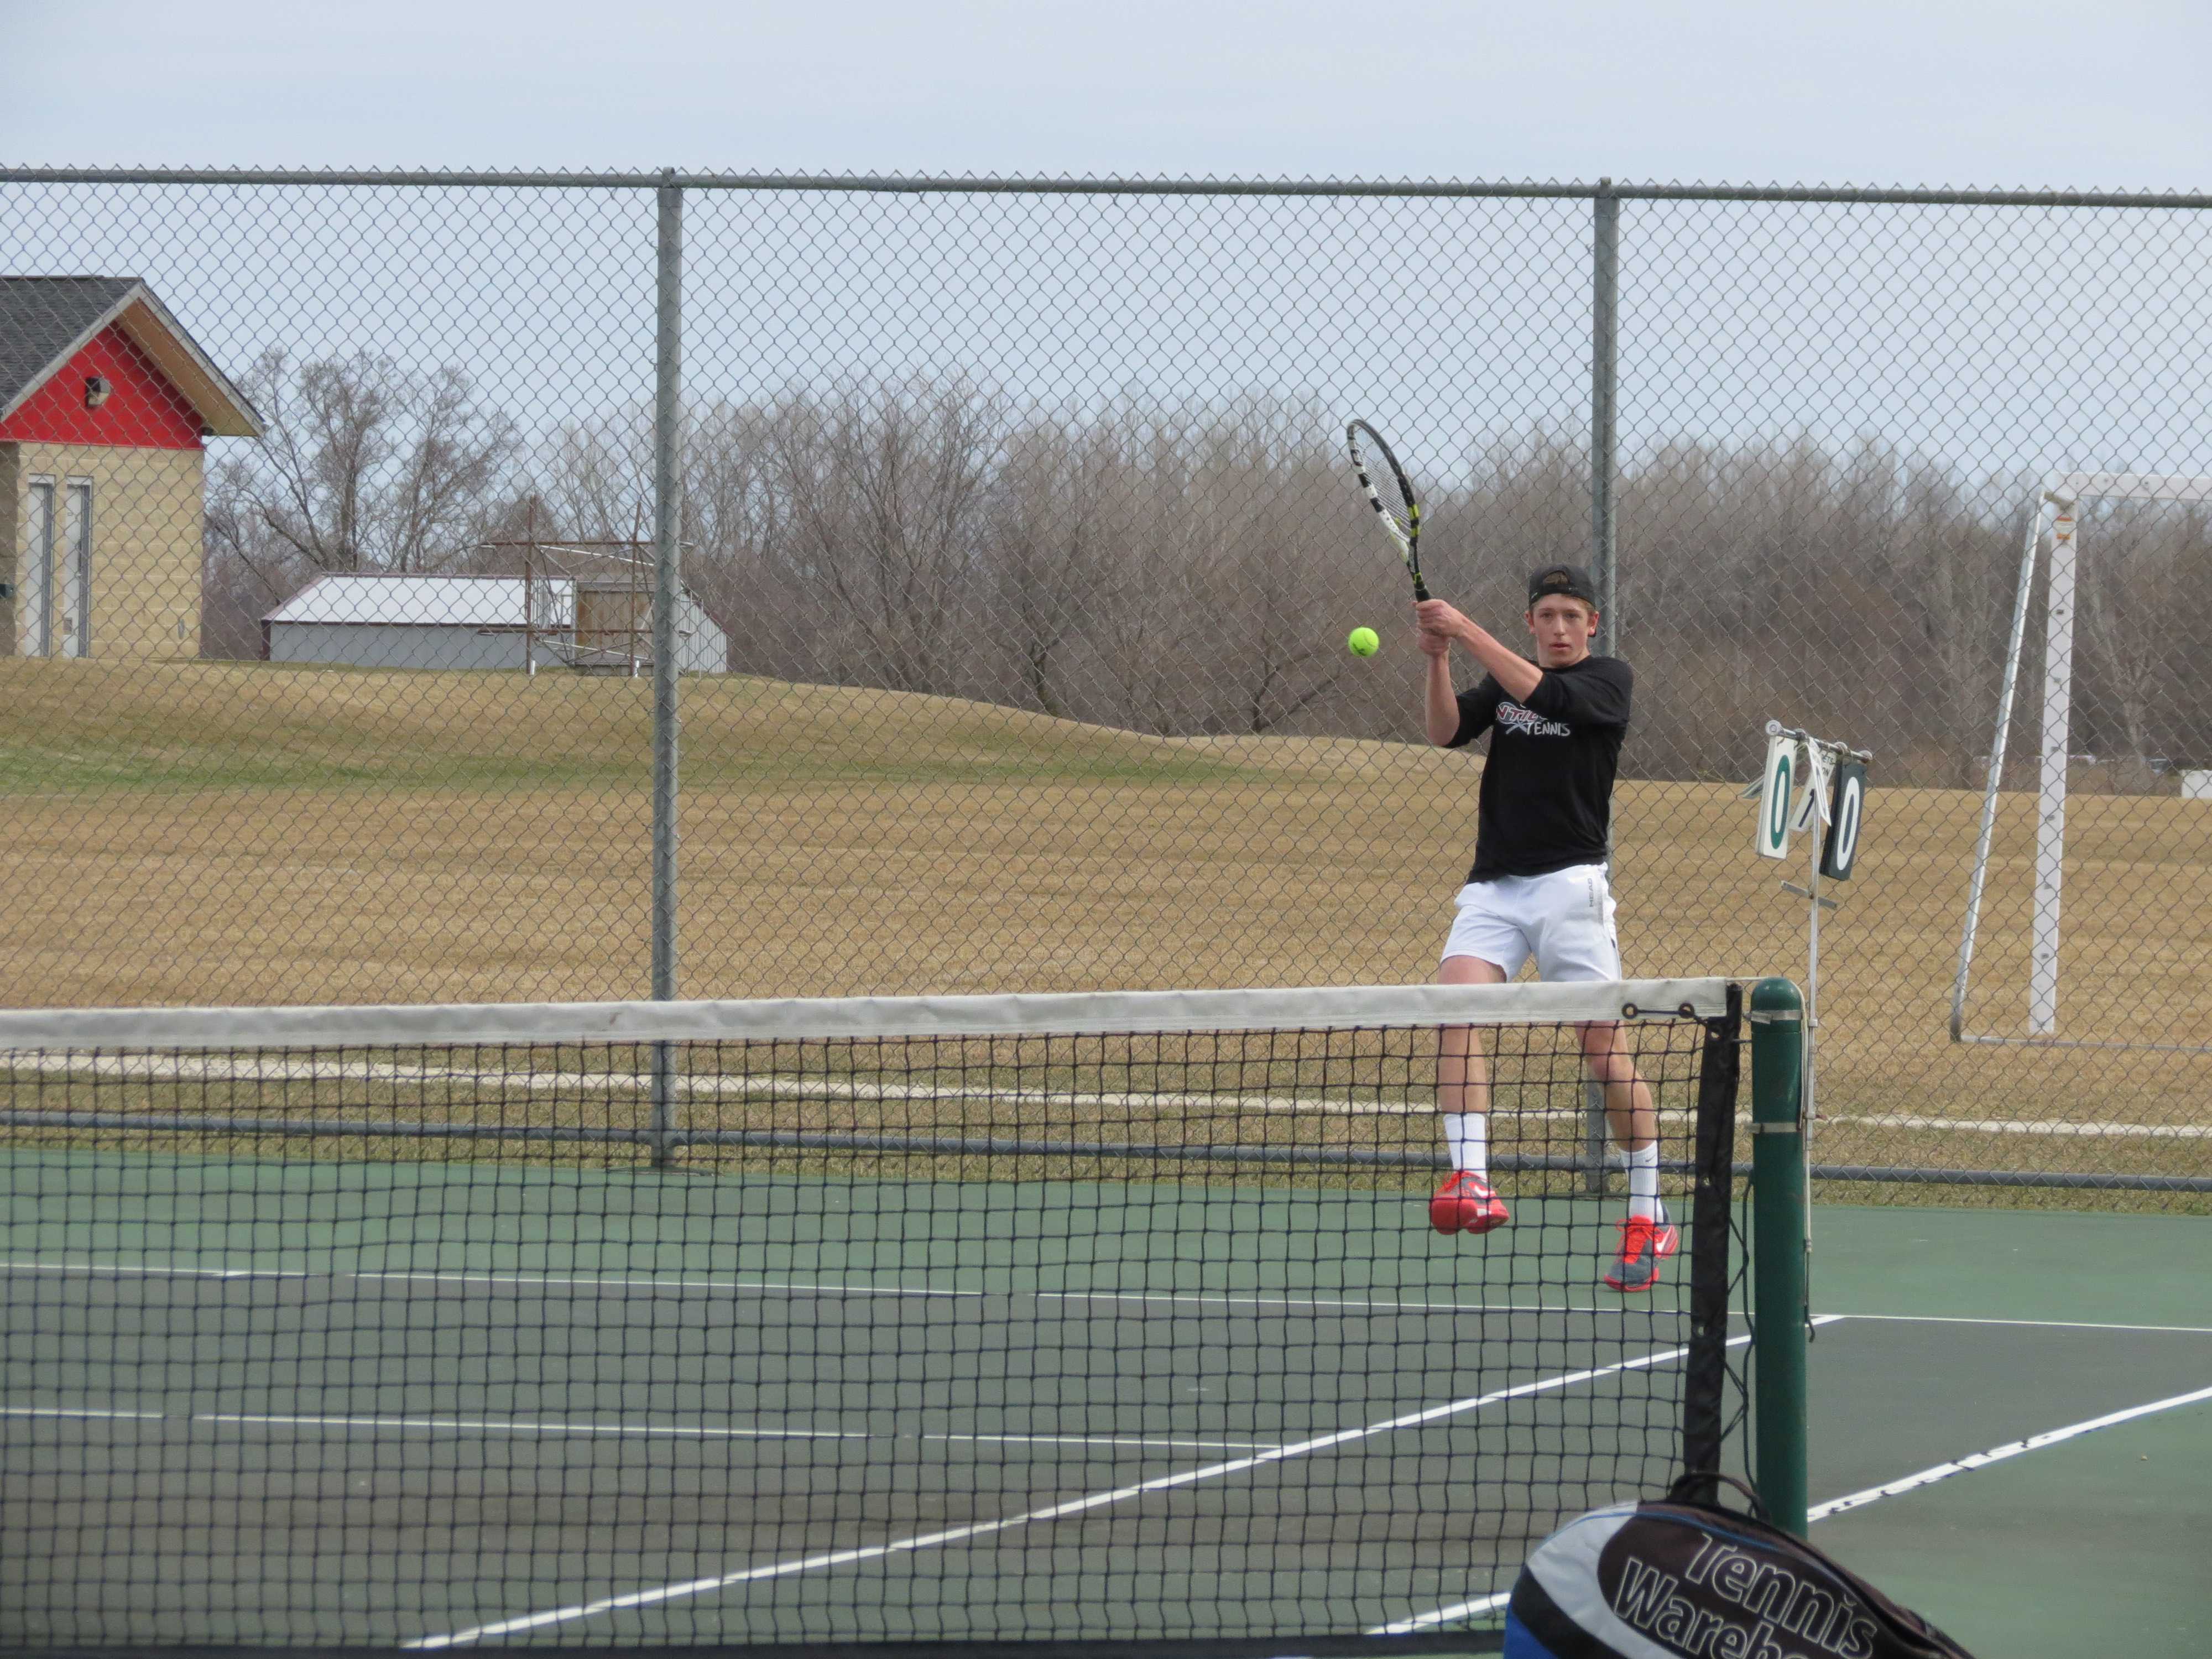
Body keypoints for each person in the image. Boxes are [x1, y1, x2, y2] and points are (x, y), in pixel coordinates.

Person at [1413, 564, 1673, 1292]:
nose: (1559, 627)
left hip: (1571, 891)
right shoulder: (1502, 684)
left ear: (1591, 624)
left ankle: (1648, 1211)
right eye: (1547, 616)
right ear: (1530, 622)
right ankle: (1471, 1178)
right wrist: (1438, 659)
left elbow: (1547, 694)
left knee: (1603, 1053)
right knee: (1453, 1012)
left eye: (1571, 616)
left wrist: (1464, 630)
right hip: (1494, 888)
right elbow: (1443, 732)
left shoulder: (1607, 681)